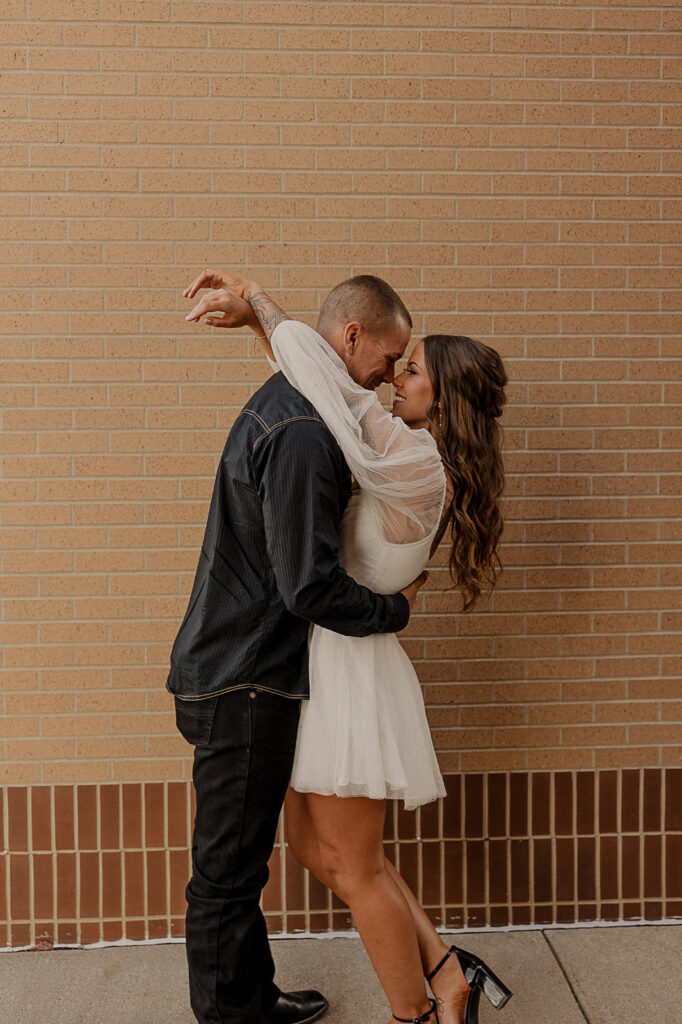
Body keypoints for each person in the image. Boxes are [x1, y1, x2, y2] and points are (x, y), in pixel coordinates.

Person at [184, 271, 512, 1024]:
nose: (396, 378)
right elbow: (320, 373)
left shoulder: (413, 459)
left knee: (354, 867)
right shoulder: (399, 445)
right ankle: (448, 971)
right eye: (398, 361)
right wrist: (260, 318)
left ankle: (418, 1012)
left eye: (414, 370)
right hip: (322, 664)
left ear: (445, 399)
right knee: (313, 849)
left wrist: (259, 306)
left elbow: (322, 377)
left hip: (349, 667)